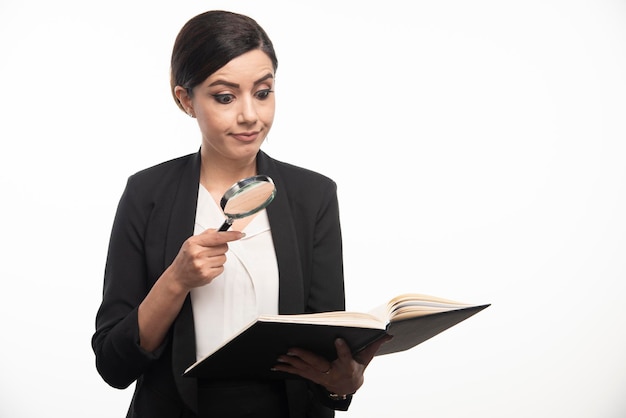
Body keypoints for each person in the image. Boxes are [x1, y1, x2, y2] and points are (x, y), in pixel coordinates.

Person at [92, 10, 390, 418]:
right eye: (225, 96)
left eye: (263, 92)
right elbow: (113, 364)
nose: (250, 115)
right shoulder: (147, 194)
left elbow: (324, 359)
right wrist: (176, 280)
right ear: (185, 100)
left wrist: (341, 384)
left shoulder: (313, 196)